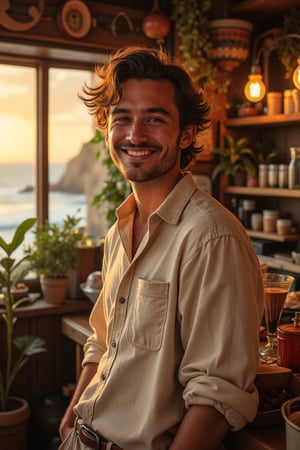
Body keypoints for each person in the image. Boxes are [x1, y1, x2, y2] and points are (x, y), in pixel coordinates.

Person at [59, 46, 264, 450]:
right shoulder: (120, 227)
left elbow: (217, 395)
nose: (135, 135)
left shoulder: (211, 238)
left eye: (155, 119)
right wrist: (70, 419)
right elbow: (102, 341)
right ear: (107, 129)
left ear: (186, 134)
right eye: (122, 119)